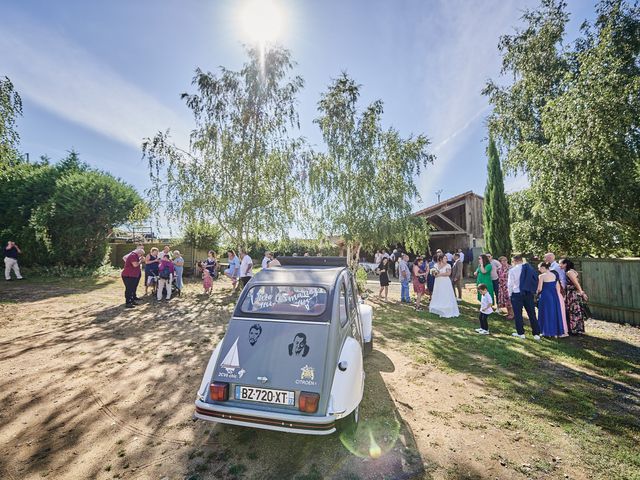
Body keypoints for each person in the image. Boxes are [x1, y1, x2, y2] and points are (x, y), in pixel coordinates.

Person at [508, 254, 541, 340]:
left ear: (514, 261)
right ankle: (536, 334)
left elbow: (510, 284)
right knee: (531, 313)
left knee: (518, 314)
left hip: (516, 293)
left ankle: (521, 333)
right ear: (521, 260)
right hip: (528, 293)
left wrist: (510, 294)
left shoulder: (512, 270)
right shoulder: (530, 268)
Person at [560, 258, 588, 335]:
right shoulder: (571, 271)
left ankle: (575, 330)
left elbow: (576, 283)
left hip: (572, 294)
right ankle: (575, 329)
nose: (560, 265)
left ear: (565, 264)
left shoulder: (569, 272)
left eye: (560, 263)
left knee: (573, 311)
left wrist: (582, 292)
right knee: (574, 311)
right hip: (571, 293)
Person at [536, 262, 565, 337]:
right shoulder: (554, 275)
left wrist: (536, 293)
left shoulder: (541, 276)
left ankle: (546, 331)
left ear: (543, 267)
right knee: (553, 313)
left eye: (539, 268)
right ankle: (554, 331)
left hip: (545, 296)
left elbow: (540, 288)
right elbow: (556, 286)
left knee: (545, 312)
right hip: (553, 295)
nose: (538, 269)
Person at [429, 254, 460, 318]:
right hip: (438, 281)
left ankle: (446, 306)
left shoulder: (448, 265)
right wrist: (434, 274)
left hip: (445, 282)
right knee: (438, 293)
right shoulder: (436, 265)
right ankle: (438, 305)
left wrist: (439, 274)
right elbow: (434, 273)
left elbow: (448, 274)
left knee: (445, 293)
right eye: (445, 258)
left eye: (446, 258)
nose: (446, 259)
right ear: (441, 259)